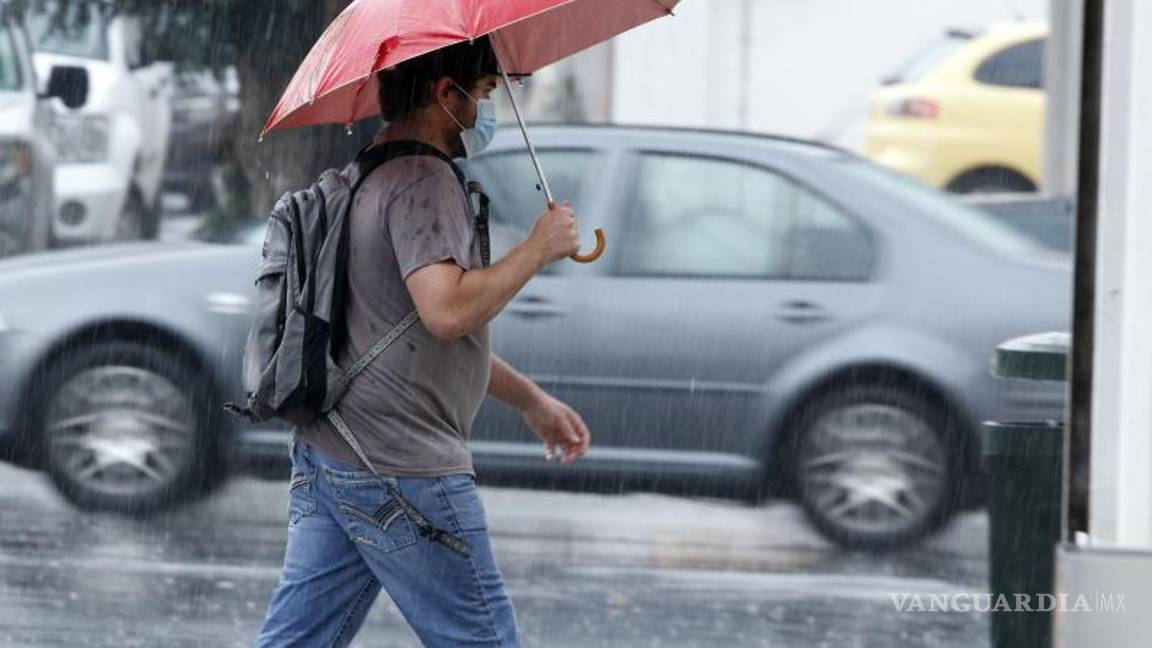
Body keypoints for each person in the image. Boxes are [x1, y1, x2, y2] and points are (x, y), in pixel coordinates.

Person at [254, 36, 592, 647]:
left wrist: (532, 402)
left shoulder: (366, 173)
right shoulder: (424, 180)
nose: (486, 110)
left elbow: (405, 337)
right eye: (485, 93)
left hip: (336, 453)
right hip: (404, 466)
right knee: (482, 641)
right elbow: (446, 311)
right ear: (446, 93)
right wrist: (537, 250)